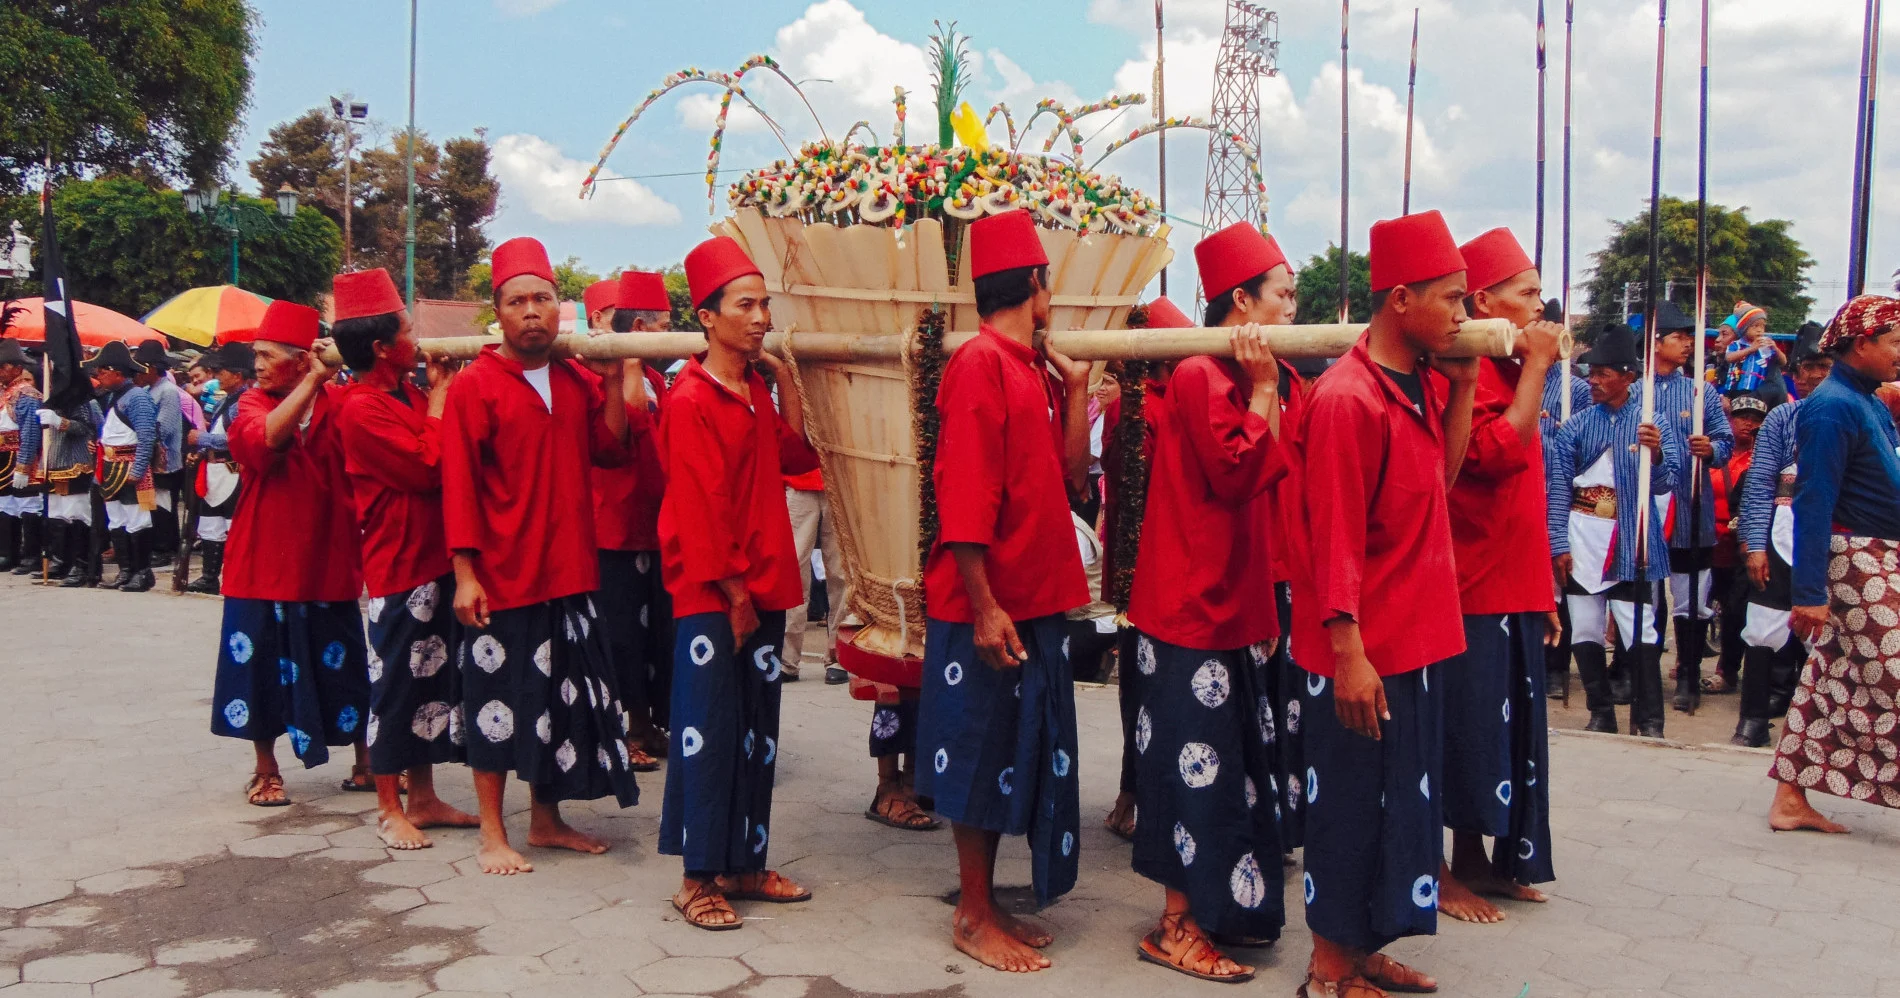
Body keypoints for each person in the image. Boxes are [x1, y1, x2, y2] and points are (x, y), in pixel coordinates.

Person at [1288, 209, 1478, 998]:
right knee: (1349, 809)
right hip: (1364, 648)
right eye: (1455, 300)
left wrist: (1464, 388)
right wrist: (1348, 652)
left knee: (1399, 806)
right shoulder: (1347, 399)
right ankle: (1329, 970)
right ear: (1401, 299)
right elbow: (1331, 536)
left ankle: (1365, 950)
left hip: (1416, 638)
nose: (1465, 318)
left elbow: (1443, 483)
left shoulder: (1422, 385)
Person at [917, 209, 1090, 973]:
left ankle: (991, 900)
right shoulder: (979, 364)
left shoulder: (1030, 369)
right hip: (989, 607)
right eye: (1049, 278)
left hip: (1034, 600)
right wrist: (985, 605)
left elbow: (1068, 478)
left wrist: (1078, 390)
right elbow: (963, 495)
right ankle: (972, 911)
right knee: (977, 755)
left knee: (1013, 753)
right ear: (1033, 284)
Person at [1122, 221, 1292, 984]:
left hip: (1233, 603)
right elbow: (1235, 474)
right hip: (1190, 606)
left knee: (1237, 772)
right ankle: (1175, 925)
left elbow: (1264, 475)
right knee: (1194, 770)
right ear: (1241, 300)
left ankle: (1232, 911)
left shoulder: (1241, 372)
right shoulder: (1197, 373)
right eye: (1283, 296)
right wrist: (1263, 389)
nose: (1294, 309)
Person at [441, 236, 640, 874]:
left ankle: (548, 822)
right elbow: (460, 485)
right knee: (497, 701)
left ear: (562, 309)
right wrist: (465, 574)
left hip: (570, 571)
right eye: (518, 301)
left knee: (556, 702)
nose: (532, 311)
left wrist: (611, 380)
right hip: (502, 576)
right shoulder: (476, 386)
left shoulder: (573, 379)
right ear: (497, 313)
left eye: (544, 299)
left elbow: (610, 452)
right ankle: (493, 833)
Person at [655, 235, 819, 928]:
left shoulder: (750, 388)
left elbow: (796, 450)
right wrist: (735, 595)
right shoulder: (689, 397)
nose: (759, 317)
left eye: (764, 304)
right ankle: (697, 879)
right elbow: (698, 507)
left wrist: (783, 380)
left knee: (757, 731)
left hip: (762, 587)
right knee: (708, 731)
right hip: (716, 596)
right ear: (709, 316)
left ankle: (746, 864)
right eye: (745, 305)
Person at [1432, 228, 1566, 925]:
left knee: (1503, 735)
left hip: (1512, 583)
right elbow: (1491, 454)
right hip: (1468, 585)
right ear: (1485, 301)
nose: (1541, 307)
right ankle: (1443, 867)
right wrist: (1540, 369)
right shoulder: (1469, 370)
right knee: (1463, 732)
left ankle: (1482, 857)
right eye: (1528, 294)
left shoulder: (1511, 368)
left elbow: (1532, 493)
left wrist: (1542, 587)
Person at [330, 267, 482, 849]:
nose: (416, 340)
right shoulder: (358, 408)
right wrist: (443, 396)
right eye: (407, 330)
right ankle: (389, 806)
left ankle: (423, 798)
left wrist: (436, 397)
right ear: (382, 347)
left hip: (435, 555)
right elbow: (427, 467)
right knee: (396, 683)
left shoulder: (407, 392)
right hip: (399, 563)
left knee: (432, 681)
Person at [208, 301, 372, 806]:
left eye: (267, 355)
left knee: (347, 667)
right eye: (256, 355)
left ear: (302, 358)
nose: (256, 365)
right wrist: (314, 383)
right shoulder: (251, 405)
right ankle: (266, 769)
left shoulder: (344, 404)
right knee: (257, 670)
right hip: (261, 562)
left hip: (327, 556)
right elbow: (266, 442)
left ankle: (368, 763)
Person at [1767, 295, 1900, 833]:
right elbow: (1813, 500)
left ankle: (1790, 799)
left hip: (1877, 558)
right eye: (1894, 343)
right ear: (1862, 344)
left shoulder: (1864, 399)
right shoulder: (1833, 407)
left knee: (1827, 681)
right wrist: (1808, 593)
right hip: (1857, 564)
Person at [1547, 323, 1681, 738]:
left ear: (1627, 376)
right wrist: (1557, 542)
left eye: (1605, 373)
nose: (1595, 381)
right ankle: (1599, 711)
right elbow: (1557, 490)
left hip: (1631, 540)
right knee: (1585, 628)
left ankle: (1651, 719)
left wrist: (1656, 452)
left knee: (1639, 627)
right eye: (1593, 372)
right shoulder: (1576, 426)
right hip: (1583, 535)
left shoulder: (1651, 421)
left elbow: (1667, 481)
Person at [1102, 294, 1190, 845]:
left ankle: (1158, 796)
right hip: (1142, 572)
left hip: (1180, 566)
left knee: (1170, 689)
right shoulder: (1134, 406)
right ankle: (1132, 794)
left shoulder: (1185, 394)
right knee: (1140, 686)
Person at [578, 271, 674, 772]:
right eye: (662, 326)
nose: (670, 335)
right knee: (617, 636)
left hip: (652, 526)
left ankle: (643, 722)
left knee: (652, 635)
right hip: (611, 528)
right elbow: (631, 422)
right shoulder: (596, 380)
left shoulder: (659, 379)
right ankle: (617, 732)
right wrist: (630, 361)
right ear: (638, 326)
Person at [1735, 349, 1834, 748]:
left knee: (1827, 640)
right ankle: (1752, 721)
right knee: (1761, 629)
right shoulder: (1781, 417)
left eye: (1820, 368)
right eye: (1803, 368)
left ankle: (1822, 730)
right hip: (1779, 535)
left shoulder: (1858, 413)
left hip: (1832, 538)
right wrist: (1755, 545)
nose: (1809, 376)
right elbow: (1759, 484)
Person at [1649, 301, 1734, 713]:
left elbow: (1725, 440)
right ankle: (1639, 671)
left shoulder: (1701, 391)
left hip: (1689, 508)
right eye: (1679, 337)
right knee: (1644, 594)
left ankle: (1687, 674)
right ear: (1655, 341)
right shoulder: (1635, 389)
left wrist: (1713, 447)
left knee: (1691, 597)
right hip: (1644, 511)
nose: (1687, 345)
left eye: (1689, 337)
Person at [87, 341, 160, 592]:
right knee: (116, 520)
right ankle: (125, 570)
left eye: (103, 371)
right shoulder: (111, 396)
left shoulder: (137, 397)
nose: (99, 376)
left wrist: (138, 470)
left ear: (118, 372)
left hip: (130, 465)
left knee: (137, 519)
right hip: (109, 465)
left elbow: (147, 435)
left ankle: (142, 572)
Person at [1540, 356, 1593, 696]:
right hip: (1522, 489)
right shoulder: (1514, 377)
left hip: (1560, 491)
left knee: (1560, 579)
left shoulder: (1577, 389)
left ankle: (1557, 665)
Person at [1707, 393, 1767, 696]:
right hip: (1710, 541)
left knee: (1736, 610)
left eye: (1756, 419)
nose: (1748, 423)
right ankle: (1687, 662)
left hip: (1743, 545)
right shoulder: (1715, 454)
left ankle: (1726, 670)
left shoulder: (1762, 459)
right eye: (1742, 416)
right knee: (1701, 605)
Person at [19, 370, 102, 586]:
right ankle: (60, 560)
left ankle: (81, 564)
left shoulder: (82, 401)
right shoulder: (50, 400)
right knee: (56, 515)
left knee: (76, 514)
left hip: (75, 463)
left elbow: (86, 427)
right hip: (53, 463)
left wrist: (60, 422)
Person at [183, 343, 254, 594]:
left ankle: (237, 578)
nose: (216, 375)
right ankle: (209, 577)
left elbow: (236, 439)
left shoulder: (243, 403)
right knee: (211, 525)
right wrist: (201, 451)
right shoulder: (227, 401)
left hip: (232, 472)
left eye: (221, 371)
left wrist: (201, 440)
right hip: (215, 471)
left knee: (232, 526)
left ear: (237, 375)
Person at [133, 340, 186, 569]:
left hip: (166, 458)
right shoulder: (149, 391)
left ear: (151, 368)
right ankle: (161, 543)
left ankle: (164, 546)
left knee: (163, 502)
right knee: (154, 501)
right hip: (151, 455)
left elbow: (164, 426)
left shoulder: (168, 392)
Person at [0, 340, 43, 573]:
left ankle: (32, 556)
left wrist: (24, 465)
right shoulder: (3, 391)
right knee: (5, 504)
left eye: (3, 367)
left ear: (17, 368)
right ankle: (8, 552)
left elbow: (30, 432)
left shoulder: (27, 394)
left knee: (27, 504)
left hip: (19, 454)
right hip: (2, 455)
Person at [1724, 305, 1787, 402]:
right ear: (1744, 328)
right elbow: (1729, 357)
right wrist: (1750, 349)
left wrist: (1776, 349)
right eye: (1755, 326)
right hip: (1735, 389)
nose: (1760, 330)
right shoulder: (1736, 344)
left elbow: (1783, 362)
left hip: (1756, 390)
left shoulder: (1765, 345)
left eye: (1763, 326)